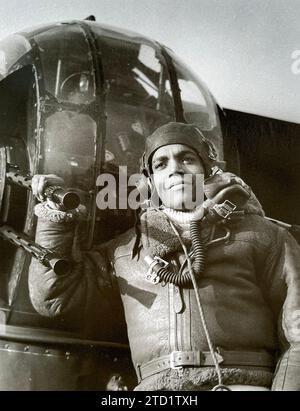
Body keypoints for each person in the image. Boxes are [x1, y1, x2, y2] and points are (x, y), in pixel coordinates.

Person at [29, 122, 300, 391]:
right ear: (151, 181)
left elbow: (297, 330)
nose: (175, 169)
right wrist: (55, 217)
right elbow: (54, 297)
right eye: (161, 164)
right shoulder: (124, 251)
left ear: (207, 169)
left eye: (187, 158)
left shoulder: (264, 235)